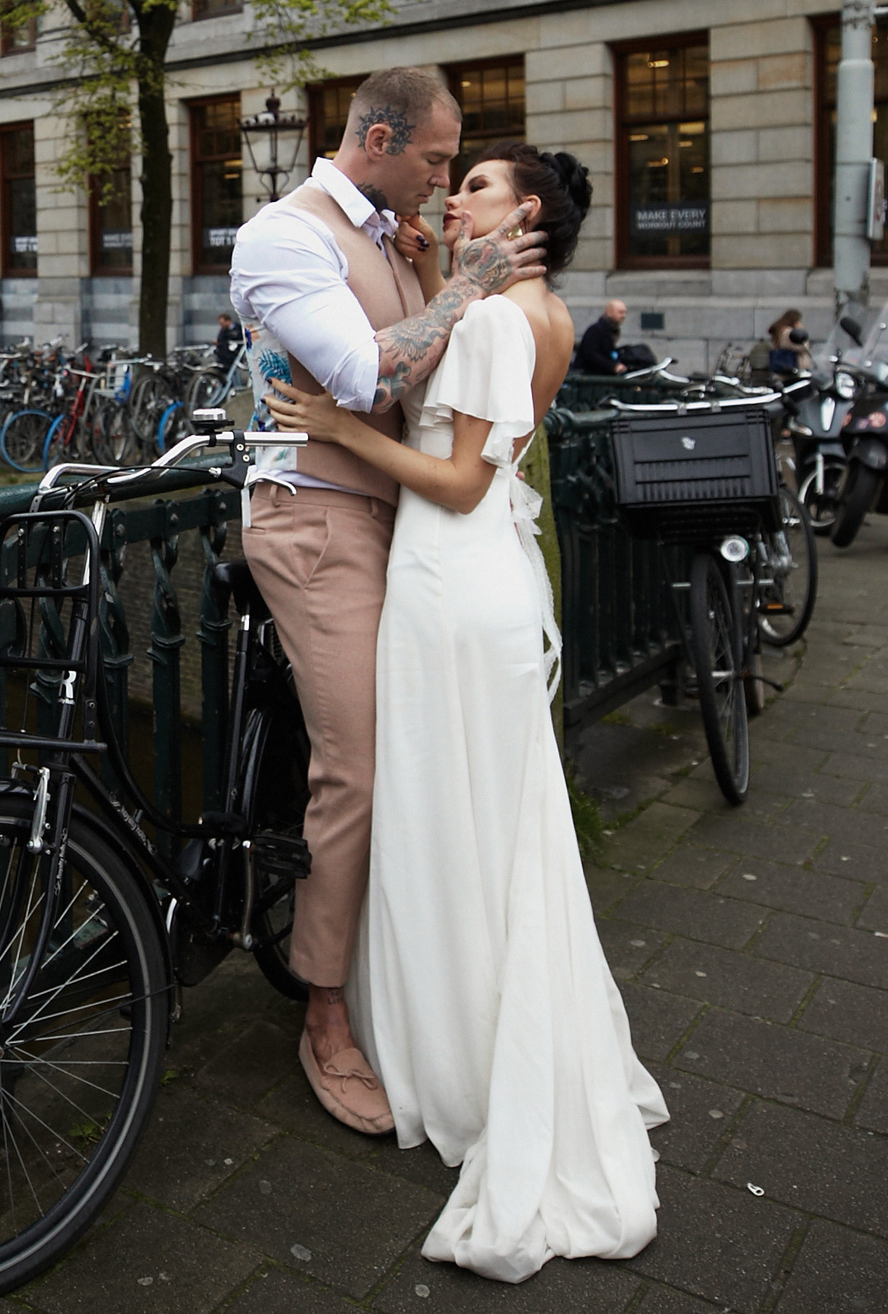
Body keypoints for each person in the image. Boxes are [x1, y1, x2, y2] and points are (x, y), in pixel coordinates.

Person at [267, 144, 665, 1282]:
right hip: (479, 582)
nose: (453, 198)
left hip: (449, 581)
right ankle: (486, 1028)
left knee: (446, 822)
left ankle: (456, 1059)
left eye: (475, 186)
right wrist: (431, 261)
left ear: (522, 210)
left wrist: (338, 432)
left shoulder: (496, 322)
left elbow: (458, 480)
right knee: (492, 829)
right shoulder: (538, 308)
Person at [228, 66, 547, 1138]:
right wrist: (466, 285)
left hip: (401, 526)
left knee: (407, 755)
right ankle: (324, 1010)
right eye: (436, 159)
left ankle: (396, 972)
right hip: (317, 521)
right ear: (377, 138)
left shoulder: (396, 236)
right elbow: (367, 378)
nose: (444, 178)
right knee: (357, 764)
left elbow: (430, 392)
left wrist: (444, 277)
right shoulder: (287, 234)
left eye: (456, 165)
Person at [576, 299, 627, 376]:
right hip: (589, 375)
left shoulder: (611, 330)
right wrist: (612, 366)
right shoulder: (596, 330)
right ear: (609, 312)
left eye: (625, 312)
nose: (624, 316)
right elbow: (591, 354)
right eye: (620, 312)